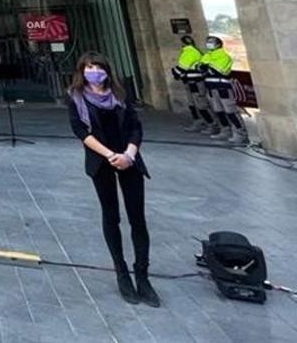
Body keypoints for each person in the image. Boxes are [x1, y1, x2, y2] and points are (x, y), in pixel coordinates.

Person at [67, 52, 159, 307]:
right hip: (102, 161)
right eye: (88, 67)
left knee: (137, 218)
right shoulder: (75, 97)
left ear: (107, 69)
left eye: (97, 66)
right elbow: (80, 130)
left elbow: (135, 126)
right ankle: (122, 273)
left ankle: (143, 275)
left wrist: (129, 153)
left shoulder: (120, 94)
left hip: (129, 159)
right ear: (81, 71)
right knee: (111, 217)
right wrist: (109, 155)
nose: (93, 71)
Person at [198, 36, 246, 145]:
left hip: (222, 87)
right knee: (218, 111)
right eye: (207, 42)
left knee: (230, 111)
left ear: (218, 44)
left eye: (211, 42)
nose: (208, 44)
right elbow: (200, 67)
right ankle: (225, 130)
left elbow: (217, 71)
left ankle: (240, 134)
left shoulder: (224, 56)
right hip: (210, 87)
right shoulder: (207, 55)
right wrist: (205, 68)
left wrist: (206, 68)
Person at [171, 35, 213, 133]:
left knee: (200, 103)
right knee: (193, 103)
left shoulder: (189, 52)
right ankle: (201, 122)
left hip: (195, 82)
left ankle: (210, 124)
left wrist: (175, 73)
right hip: (192, 81)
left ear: (183, 43)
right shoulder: (193, 51)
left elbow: (182, 67)